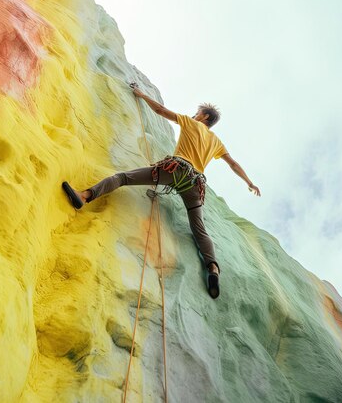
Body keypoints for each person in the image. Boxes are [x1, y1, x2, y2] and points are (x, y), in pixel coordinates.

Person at [62, 85, 260, 299]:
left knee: (123, 178)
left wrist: (141, 94)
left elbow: (160, 111)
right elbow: (233, 164)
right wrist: (249, 182)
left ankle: (84, 196)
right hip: (195, 184)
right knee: (198, 227)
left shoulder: (190, 122)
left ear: (203, 116)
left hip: (175, 170)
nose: (195, 114)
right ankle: (212, 267)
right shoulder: (216, 142)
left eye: (197, 112)